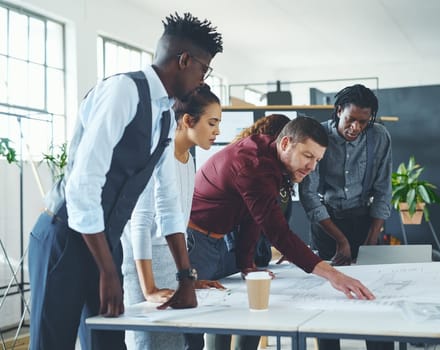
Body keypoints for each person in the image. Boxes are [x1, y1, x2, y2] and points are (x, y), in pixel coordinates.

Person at [27, 12, 223, 350]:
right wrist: (107, 271)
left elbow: (167, 201)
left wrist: (185, 277)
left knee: (107, 344)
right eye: (203, 69)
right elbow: (82, 186)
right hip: (64, 237)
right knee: (52, 343)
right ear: (184, 60)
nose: (202, 81)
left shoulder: (164, 114)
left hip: (105, 239)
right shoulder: (123, 91)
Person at [187, 116, 375, 350]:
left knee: (226, 316)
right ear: (285, 143)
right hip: (196, 242)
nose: (312, 167)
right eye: (308, 156)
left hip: (220, 241)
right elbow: (278, 233)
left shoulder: (270, 159)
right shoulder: (255, 165)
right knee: (194, 327)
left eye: (317, 160)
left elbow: (253, 218)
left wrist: (247, 265)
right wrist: (333, 275)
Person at [121, 85, 224, 350]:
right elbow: (140, 224)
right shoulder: (157, 153)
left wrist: (187, 278)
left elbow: (179, 223)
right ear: (188, 120)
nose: (217, 132)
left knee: (175, 343)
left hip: (170, 262)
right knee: (149, 343)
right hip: (144, 263)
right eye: (212, 123)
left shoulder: (188, 157)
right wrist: (149, 288)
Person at [299, 84, 393, 350]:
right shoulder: (317, 135)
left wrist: (372, 238)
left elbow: (384, 189)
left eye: (363, 122)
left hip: (365, 221)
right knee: (328, 301)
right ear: (339, 111)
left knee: (376, 298)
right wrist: (340, 240)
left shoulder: (380, 137)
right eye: (351, 120)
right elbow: (309, 195)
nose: (356, 127)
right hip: (327, 223)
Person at [230, 114, 292, 268]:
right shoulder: (252, 166)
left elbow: (276, 215)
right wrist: (247, 263)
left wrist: (286, 246)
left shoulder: (280, 172)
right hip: (239, 252)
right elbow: (248, 219)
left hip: (263, 252)